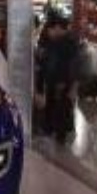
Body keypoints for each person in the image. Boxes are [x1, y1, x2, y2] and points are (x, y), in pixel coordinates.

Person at [35, 13, 81, 143]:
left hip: (63, 85)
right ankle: (52, 132)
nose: (48, 33)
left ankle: (60, 139)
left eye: (50, 30)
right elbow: (47, 60)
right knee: (53, 109)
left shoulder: (70, 43)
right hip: (53, 83)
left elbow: (76, 68)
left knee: (62, 112)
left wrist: (73, 88)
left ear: (58, 28)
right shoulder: (55, 41)